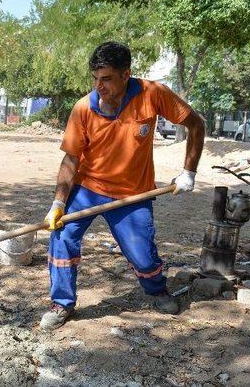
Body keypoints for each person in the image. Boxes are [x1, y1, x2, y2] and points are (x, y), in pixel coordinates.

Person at [39, 42, 205, 330]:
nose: (99, 86)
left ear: (126, 73)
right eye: (95, 79)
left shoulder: (152, 94)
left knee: (142, 255)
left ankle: (156, 290)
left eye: (106, 79)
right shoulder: (83, 109)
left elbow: (196, 125)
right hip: (87, 189)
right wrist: (58, 204)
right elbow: (71, 159)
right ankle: (61, 303)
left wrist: (189, 171)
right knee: (62, 235)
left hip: (133, 194)